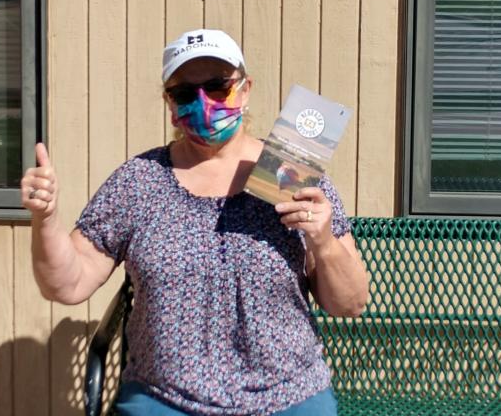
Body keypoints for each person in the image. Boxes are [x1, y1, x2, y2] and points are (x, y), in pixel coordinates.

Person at [22, 28, 369, 416]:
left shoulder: (293, 176)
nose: (204, 103)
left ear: (246, 87)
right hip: (165, 399)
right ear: (169, 102)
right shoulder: (140, 181)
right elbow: (68, 284)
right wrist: (46, 220)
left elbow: (349, 304)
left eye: (218, 87)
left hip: (287, 398)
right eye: (185, 93)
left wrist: (323, 240)